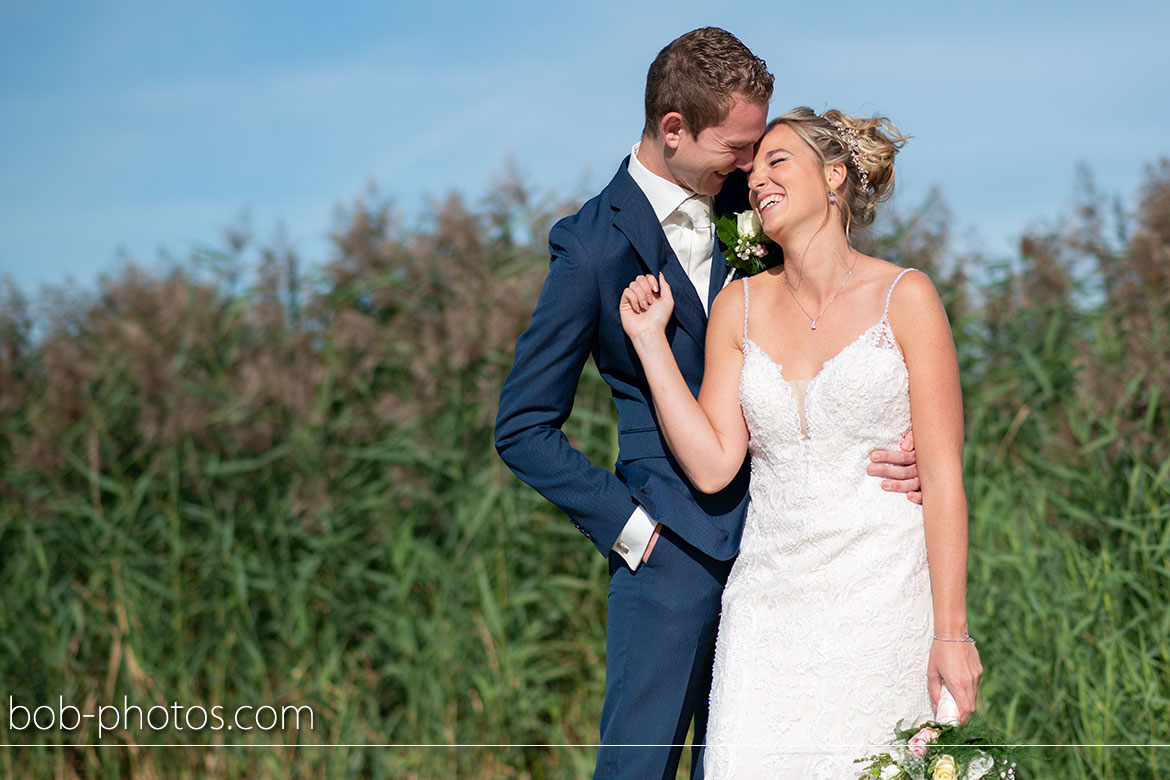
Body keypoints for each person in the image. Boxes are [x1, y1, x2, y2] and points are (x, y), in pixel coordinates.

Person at [495, 29, 921, 780]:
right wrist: (630, 530)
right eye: (736, 145)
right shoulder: (590, 249)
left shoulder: (761, 204)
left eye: (760, 145)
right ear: (673, 130)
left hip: (791, 556)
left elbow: (840, 323)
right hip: (668, 560)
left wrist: (893, 434)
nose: (752, 163)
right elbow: (522, 426)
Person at [618, 107, 984, 778]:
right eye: (752, 170)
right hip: (767, 610)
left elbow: (944, 480)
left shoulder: (907, 297)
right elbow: (712, 463)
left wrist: (951, 633)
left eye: (776, 161)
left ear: (835, 176)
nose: (756, 180)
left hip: (883, 599)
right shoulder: (740, 304)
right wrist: (650, 344)